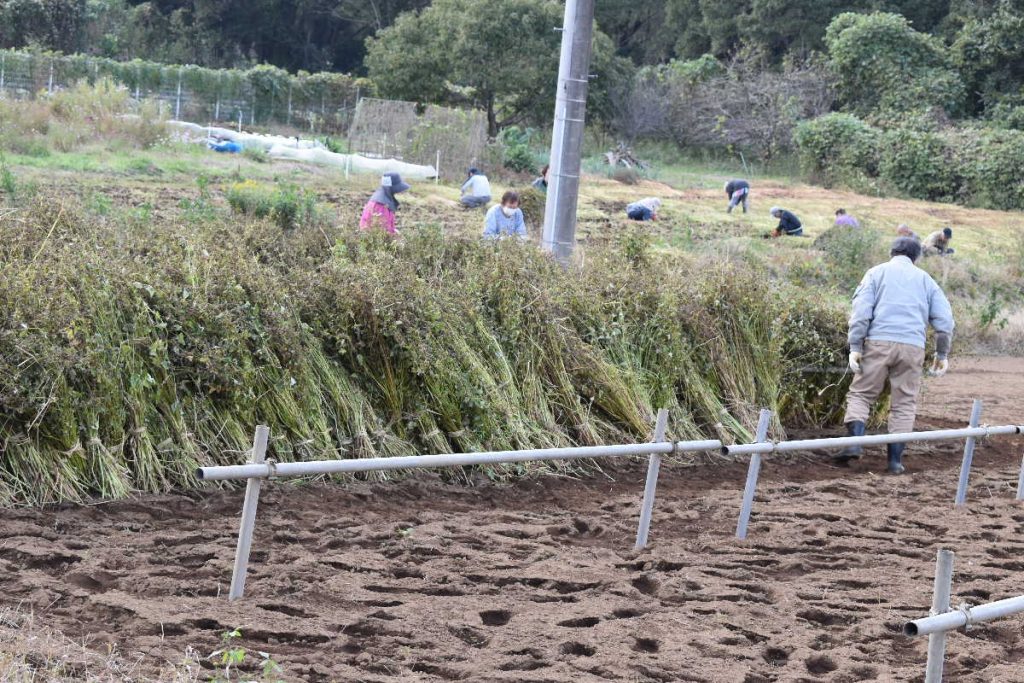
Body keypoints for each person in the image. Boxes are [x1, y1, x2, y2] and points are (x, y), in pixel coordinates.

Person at [835, 236, 955, 474]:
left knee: (861, 394)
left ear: (891, 252)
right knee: (904, 403)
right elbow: (945, 322)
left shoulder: (875, 273)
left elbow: (860, 313)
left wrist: (856, 346)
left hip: (878, 343)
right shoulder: (926, 281)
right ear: (916, 257)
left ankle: (854, 445)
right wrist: (942, 353)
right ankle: (894, 462)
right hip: (913, 347)